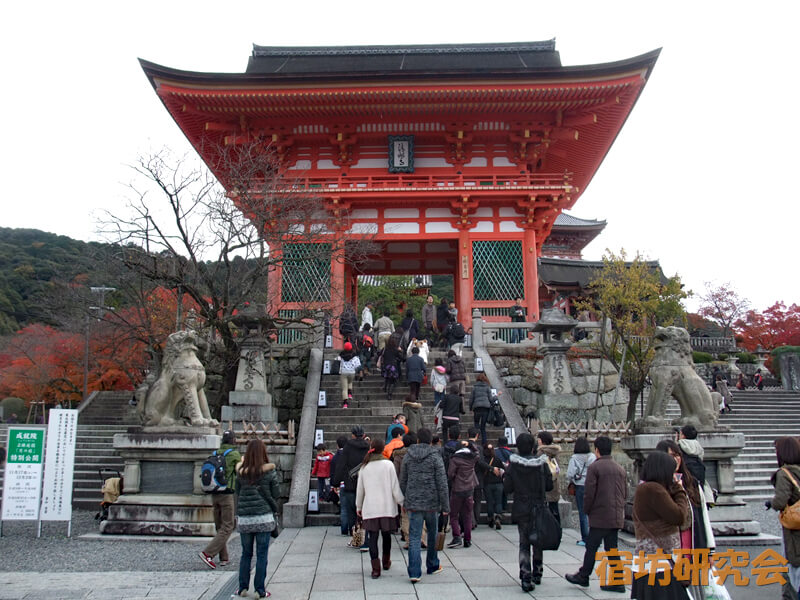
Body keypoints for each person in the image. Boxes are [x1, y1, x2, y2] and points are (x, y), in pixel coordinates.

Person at [566, 435, 627, 592]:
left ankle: (584, 576)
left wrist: (587, 510)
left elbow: (589, 493)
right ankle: (619, 580)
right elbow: (624, 493)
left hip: (600, 515)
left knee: (592, 547)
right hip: (615, 515)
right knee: (612, 548)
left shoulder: (595, 467)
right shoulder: (619, 468)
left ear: (597, 450)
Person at [630, 451, 690, 600]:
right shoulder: (654, 490)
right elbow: (679, 516)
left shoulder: (645, 488)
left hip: (651, 561)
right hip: (659, 564)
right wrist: (679, 491)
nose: (672, 475)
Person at [503, 432, 553, 592]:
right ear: (533, 446)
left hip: (521, 506)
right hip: (538, 506)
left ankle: (525, 576)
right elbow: (549, 486)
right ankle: (537, 573)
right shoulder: (541, 464)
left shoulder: (514, 465)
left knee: (524, 543)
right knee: (538, 539)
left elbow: (508, 488)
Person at [400, 427, 449, 583]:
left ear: (418, 440)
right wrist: (446, 506)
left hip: (413, 502)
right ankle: (433, 564)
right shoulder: (435, 456)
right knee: (432, 534)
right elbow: (442, 482)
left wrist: (404, 499)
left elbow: (403, 481)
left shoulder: (408, 456)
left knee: (414, 537)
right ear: (430, 441)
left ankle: (414, 571)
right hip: (432, 503)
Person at [234, 439, 280, 599]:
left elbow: (237, 493)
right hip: (263, 517)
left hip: (245, 518)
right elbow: (276, 494)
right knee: (262, 554)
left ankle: (242, 588)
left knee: (246, 554)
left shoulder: (240, 473)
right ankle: (260, 590)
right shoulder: (269, 472)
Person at [356, 437, 404, 579]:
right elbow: (395, 487)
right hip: (387, 507)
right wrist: (402, 502)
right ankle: (386, 560)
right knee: (386, 535)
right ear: (383, 449)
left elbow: (360, 490)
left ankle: (375, 568)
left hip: (371, 507)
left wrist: (359, 506)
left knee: (373, 538)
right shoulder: (388, 465)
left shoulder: (364, 467)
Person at [199, 430, 241, 569]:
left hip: (214, 491)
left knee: (220, 526)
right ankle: (207, 553)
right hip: (226, 493)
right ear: (234, 440)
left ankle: (224, 557)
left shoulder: (216, 453)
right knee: (228, 526)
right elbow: (239, 470)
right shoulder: (234, 454)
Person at [767, 436, 800, 600]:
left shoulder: (785, 474)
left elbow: (780, 501)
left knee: (791, 566)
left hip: (794, 528)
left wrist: (771, 503)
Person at [331, 425, 370, 546]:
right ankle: (366, 537)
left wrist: (335, 482)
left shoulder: (348, 446)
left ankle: (356, 537)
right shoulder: (368, 446)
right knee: (365, 511)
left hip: (350, 483)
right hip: (365, 484)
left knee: (352, 512)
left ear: (353, 435)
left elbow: (341, 465)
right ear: (363, 435)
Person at [446, 439, 479, 548]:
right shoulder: (472, 458)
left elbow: (450, 474)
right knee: (468, 515)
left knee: (454, 515)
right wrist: (470, 444)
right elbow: (477, 452)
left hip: (458, 489)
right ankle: (468, 539)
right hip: (469, 489)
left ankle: (457, 537)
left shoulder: (455, 459)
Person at [566, 436, 595, 546]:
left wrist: (574, 479)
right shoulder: (592, 457)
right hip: (591, 486)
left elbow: (570, 474)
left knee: (582, 513)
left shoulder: (574, 458)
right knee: (592, 512)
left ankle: (585, 538)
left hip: (580, 486)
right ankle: (594, 536)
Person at [392, 432, 416, 545]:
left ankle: (407, 537)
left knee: (405, 514)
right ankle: (421, 536)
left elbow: (396, 473)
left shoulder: (398, 455)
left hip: (403, 486)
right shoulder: (419, 454)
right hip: (418, 486)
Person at [536, 431, 562, 525]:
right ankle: (557, 530)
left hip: (543, 484)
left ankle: (547, 531)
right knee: (554, 510)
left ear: (542, 441)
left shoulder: (540, 453)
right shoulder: (555, 452)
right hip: (554, 483)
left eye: (539, 439)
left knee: (543, 511)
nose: (538, 441)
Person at [479, 443, 505, 530]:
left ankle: (490, 518)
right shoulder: (497, 459)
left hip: (487, 484)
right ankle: (498, 516)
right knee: (498, 502)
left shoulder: (483, 461)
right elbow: (502, 470)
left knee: (489, 502)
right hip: (498, 483)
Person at [468, 373, 492, 445]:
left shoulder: (475, 387)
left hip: (477, 407)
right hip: (485, 408)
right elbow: (490, 398)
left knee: (476, 424)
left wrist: (470, 408)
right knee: (483, 427)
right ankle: (484, 442)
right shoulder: (487, 387)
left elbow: (471, 399)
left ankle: (474, 440)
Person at [338, 342, 361, 408]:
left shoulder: (342, 355)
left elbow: (337, 360)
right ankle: (350, 393)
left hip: (344, 372)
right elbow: (358, 365)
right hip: (352, 372)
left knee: (344, 388)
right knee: (350, 382)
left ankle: (345, 403)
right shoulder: (354, 356)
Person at [430, 359, 448, 432]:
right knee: (443, 398)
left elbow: (432, 379)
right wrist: (446, 384)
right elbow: (447, 378)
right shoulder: (444, 369)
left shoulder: (434, 370)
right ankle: (442, 409)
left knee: (437, 398)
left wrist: (432, 385)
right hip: (443, 386)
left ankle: (437, 411)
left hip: (436, 386)